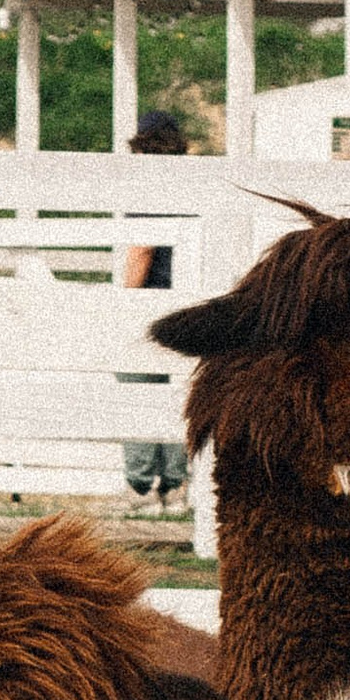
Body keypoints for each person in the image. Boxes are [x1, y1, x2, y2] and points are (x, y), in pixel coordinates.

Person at [118, 106, 192, 505]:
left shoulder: (148, 187)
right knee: (179, 391)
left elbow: (142, 250)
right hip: (186, 297)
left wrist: (124, 299)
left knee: (137, 387)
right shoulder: (190, 186)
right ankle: (176, 484)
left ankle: (141, 484)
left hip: (150, 298)